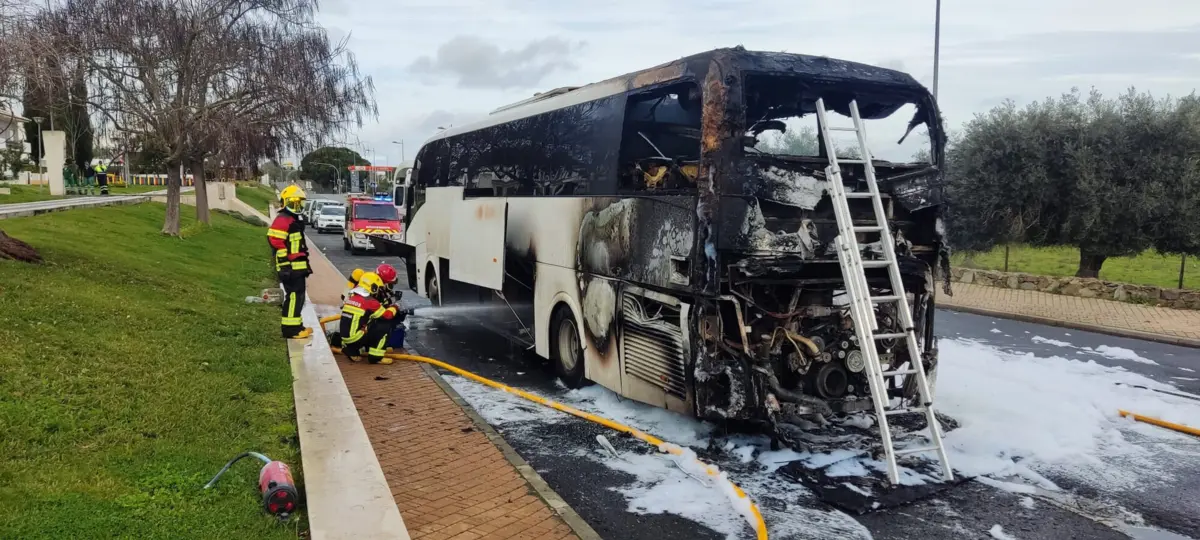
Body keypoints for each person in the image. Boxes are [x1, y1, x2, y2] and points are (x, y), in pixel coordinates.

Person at [336, 271, 411, 364]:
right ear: (373, 287)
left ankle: (352, 351)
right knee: (384, 324)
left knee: (368, 323)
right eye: (378, 288)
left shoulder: (352, 297)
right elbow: (387, 315)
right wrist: (396, 306)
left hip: (346, 338)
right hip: (356, 338)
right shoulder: (370, 301)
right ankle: (376, 357)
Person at [267, 185, 312, 339]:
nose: (298, 206)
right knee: (293, 296)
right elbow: (276, 243)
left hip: (297, 267)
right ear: (286, 202)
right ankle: (290, 330)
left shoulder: (292, 219)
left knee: (299, 297)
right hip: (290, 268)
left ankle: (297, 325)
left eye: (300, 203)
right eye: (294, 202)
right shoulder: (283, 220)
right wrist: (284, 266)